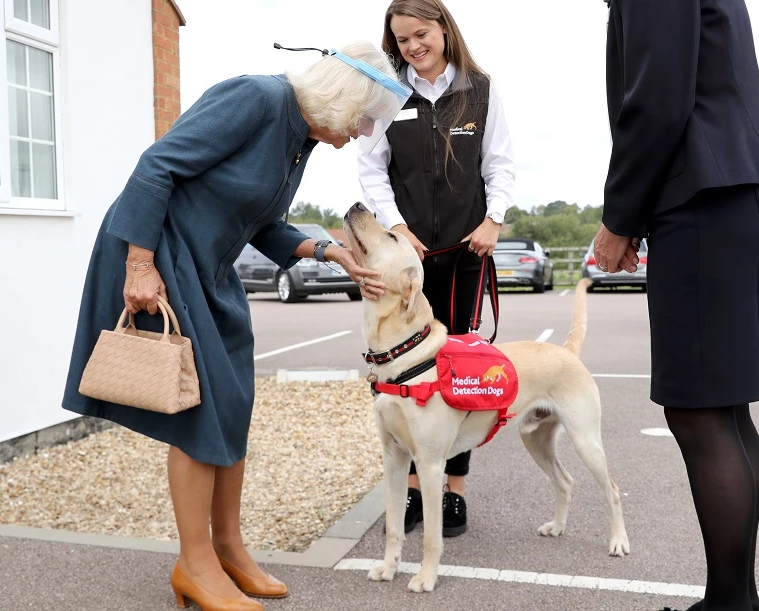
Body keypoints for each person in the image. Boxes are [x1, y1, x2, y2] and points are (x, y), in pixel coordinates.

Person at [61, 41, 404, 611]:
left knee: (234, 400)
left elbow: (263, 224)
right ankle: (194, 564)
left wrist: (327, 251)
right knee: (200, 412)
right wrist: (139, 265)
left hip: (211, 269)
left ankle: (227, 548)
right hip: (161, 256)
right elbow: (156, 165)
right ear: (343, 98)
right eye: (365, 117)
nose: (366, 131)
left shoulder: (300, 139)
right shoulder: (258, 98)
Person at [593, 1, 759, 610]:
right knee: (723, 411)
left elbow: (656, 98)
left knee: (700, 412)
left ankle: (731, 605)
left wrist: (620, 217)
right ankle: (734, 602)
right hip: (729, 189)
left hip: (706, 197)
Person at [357, 0, 515, 538]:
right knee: (402, 368)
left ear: (444, 29)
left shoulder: (480, 89)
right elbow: (371, 170)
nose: (413, 47)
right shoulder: (387, 94)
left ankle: (453, 491)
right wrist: (397, 227)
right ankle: (411, 491)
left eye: (421, 34)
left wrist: (493, 220)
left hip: (466, 253)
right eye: (402, 40)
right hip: (409, 261)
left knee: (457, 367)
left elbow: (499, 163)